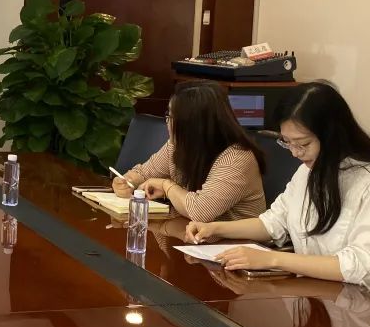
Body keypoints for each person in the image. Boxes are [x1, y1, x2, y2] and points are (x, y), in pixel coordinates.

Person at [185, 81, 370, 294]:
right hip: (311, 293)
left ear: (333, 136)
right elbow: (274, 222)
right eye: (287, 142)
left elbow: (364, 266)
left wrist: (273, 259)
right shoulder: (308, 171)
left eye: (303, 143)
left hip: (362, 304)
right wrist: (215, 228)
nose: (295, 153)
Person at [113, 81, 267, 222]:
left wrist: (166, 186)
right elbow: (144, 172)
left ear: (193, 125)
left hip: (235, 241)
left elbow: (200, 211)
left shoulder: (237, 158)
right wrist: (127, 182)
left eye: (171, 117)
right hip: (191, 233)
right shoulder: (178, 145)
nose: (167, 122)